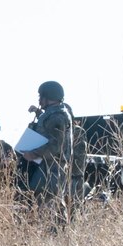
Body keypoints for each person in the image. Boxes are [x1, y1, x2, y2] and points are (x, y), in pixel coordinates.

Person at [20, 81, 77, 213]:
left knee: (48, 200)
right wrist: (38, 112)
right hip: (47, 165)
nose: (39, 99)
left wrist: (33, 154)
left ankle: (54, 232)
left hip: (51, 167)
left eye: (41, 96)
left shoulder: (57, 116)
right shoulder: (55, 113)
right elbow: (47, 128)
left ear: (47, 97)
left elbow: (55, 145)